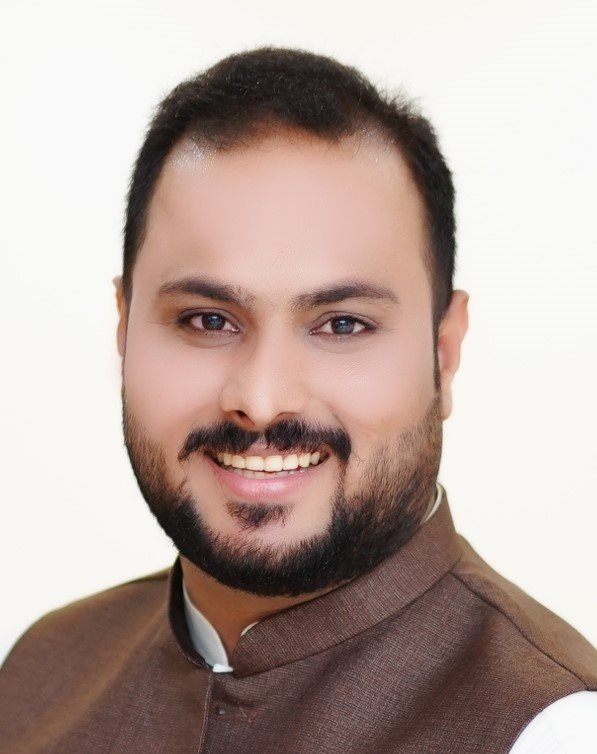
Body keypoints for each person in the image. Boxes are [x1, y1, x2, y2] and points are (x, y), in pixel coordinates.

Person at [0, 47, 595, 754]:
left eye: (342, 325)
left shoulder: (552, 731)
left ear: (444, 352)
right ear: (124, 328)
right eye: (206, 320)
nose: (261, 400)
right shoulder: (41, 674)